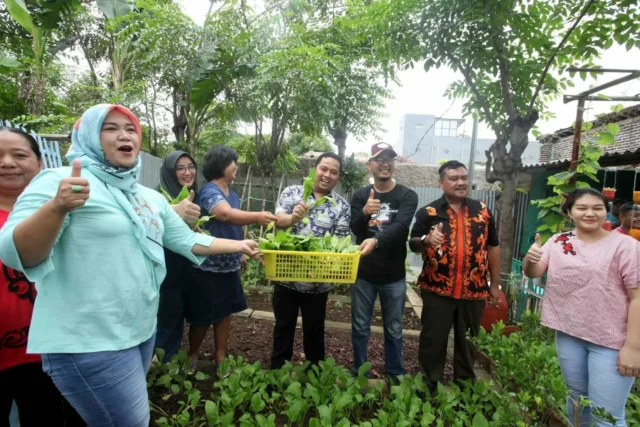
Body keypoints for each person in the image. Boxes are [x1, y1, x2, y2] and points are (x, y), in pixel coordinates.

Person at [0, 104, 260, 427]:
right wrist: (57, 207)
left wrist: (241, 245)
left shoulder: (146, 197)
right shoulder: (60, 182)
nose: (124, 135)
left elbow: (187, 240)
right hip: (88, 340)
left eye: (130, 129)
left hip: (139, 332)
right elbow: (15, 252)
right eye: (110, 128)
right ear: (89, 136)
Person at [523, 188, 640, 426]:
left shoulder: (625, 246)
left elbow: (637, 297)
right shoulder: (559, 240)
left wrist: (633, 347)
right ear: (569, 212)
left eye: (597, 208)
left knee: (606, 416)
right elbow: (534, 272)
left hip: (611, 341)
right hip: (569, 333)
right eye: (582, 208)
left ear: (607, 213)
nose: (590, 213)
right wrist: (529, 259)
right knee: (577, 400)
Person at [0, 127, 83, 426]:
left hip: (51, 350)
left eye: (19, 155)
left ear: (39, 164)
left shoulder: (70, 212)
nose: (8, 162)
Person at [409, 160, 500, 393]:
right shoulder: (429, 212)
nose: (460, 182)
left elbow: (493, 248)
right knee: (433, 340)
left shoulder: (482, 211)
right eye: (453, 178)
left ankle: (465, 387)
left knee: (468, 341)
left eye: (464, 178)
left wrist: (495, 285)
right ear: (441, 183)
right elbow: (413, 244)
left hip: (474, 289)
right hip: (437, 289)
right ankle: (428, 385)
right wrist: (427, 241)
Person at [186, 145, 277, 372]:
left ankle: (220, 357)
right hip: (207, 266)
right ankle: (192, 354)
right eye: (232, 162)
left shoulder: (232, 194)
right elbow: (225, 215)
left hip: (228, 265)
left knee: (225, 314)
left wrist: (239, 254)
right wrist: (257, 216)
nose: (235, 166)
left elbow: (233, 227)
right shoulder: (209, 191)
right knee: (202, 315)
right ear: (219, 165)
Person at [270, 152, 351, 369]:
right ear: (314, 169)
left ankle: (315, 379)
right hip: (286, 277)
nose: (327, 175)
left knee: (315, 334)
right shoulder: (293, 192)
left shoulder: (341, 206)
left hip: (318, 283)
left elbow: (338, 244)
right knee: (282, 329)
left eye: (333, 172)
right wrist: (294, 217)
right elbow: (278, 222)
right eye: (323, 169)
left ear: (338, 177)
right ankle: (276, 376)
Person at [349, 142, 418, 382]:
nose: (385, 163)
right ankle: (360, 372)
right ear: (370, 164)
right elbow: (355, 228)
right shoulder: (360, 195)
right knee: (359, 326)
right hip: (363, 274)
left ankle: (395, 373)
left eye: (390, 158)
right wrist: (365, 212)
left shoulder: (407, 195)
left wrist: (376, 242)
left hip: (393, 276)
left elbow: (400, 228)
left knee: (394, 328)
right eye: (379, 158)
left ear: (394, 164)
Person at [154, 150, 203, 362]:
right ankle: (157, 362)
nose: (187, 172)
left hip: (187, 267)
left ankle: (169, 360)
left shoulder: (195, 194)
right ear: (169, 172)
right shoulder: (158, 197)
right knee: (166, 314)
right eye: (180, 168)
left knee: (177, 314)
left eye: (191, 167)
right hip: (166, 267)